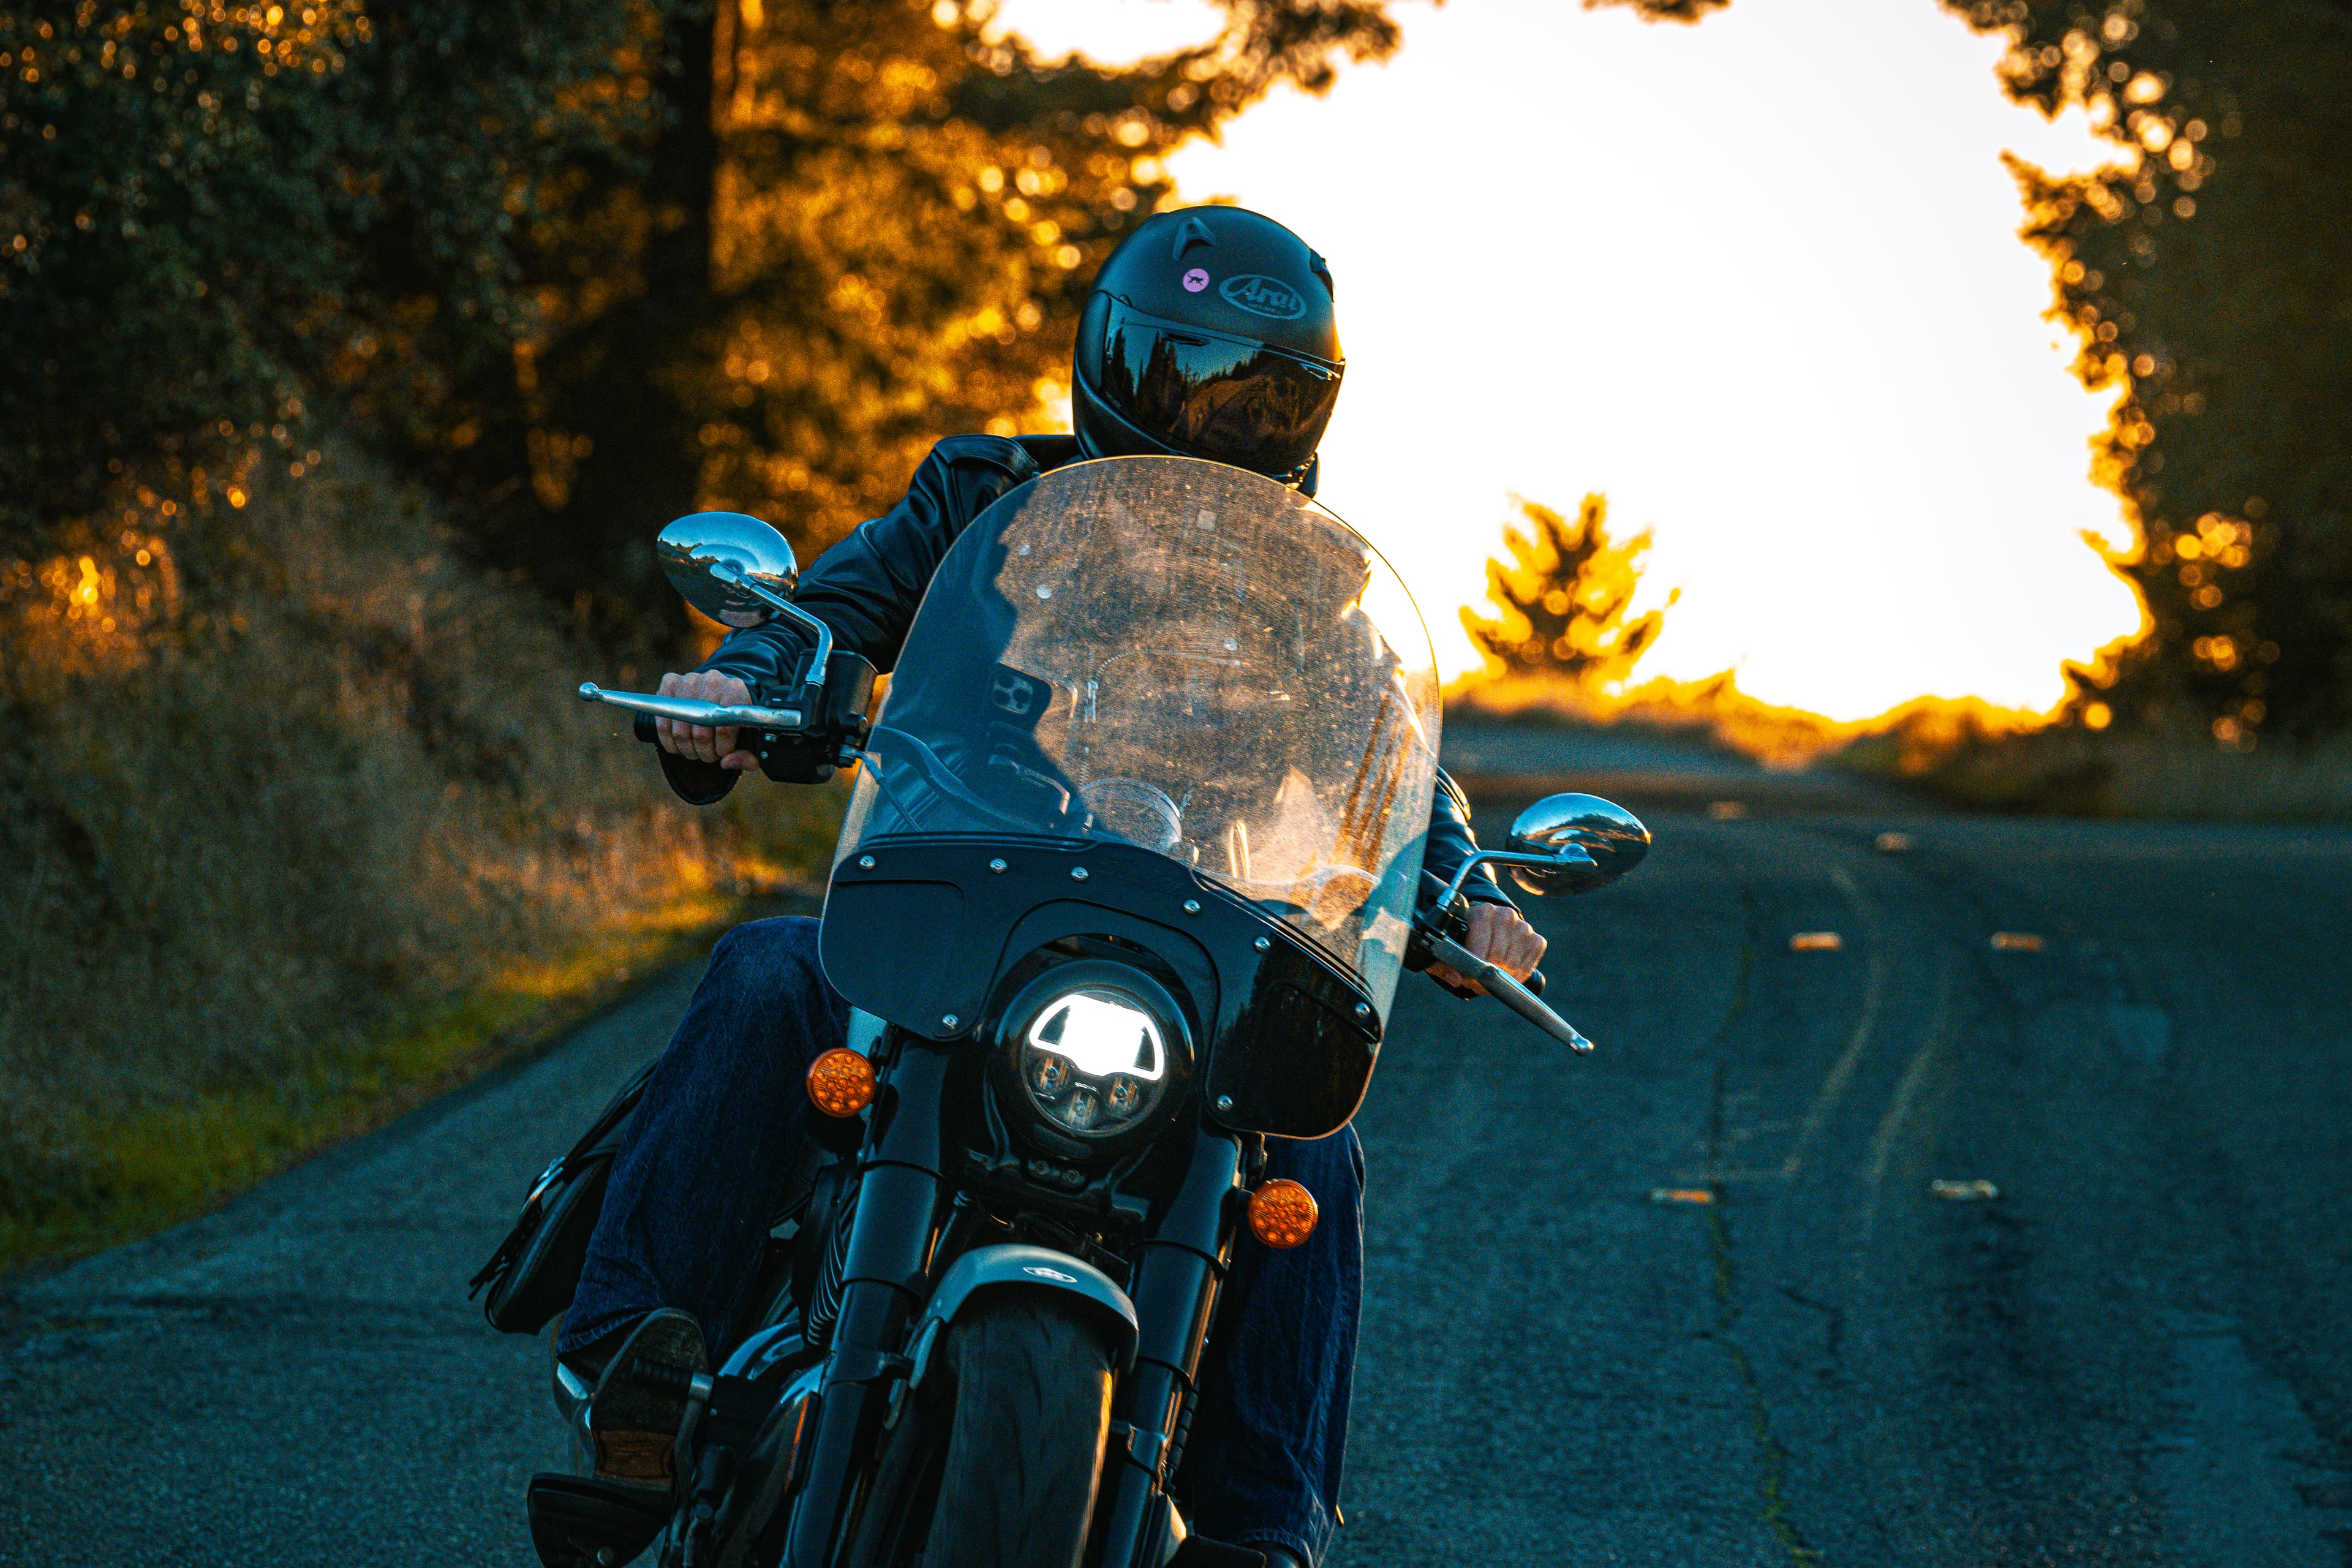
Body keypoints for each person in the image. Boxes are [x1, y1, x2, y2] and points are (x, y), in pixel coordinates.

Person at [562, 206, 1545, 1568]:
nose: (1209, 418)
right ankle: (633, 1373)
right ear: (1111, 360)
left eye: (1258, 393)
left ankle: (1263, 1529)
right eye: (1180, 371)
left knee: (1315, 1147)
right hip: (963, 913)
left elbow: (1395, 762)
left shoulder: (1320, 596)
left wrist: (1466, 884)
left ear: (1308, 413)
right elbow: (838, 609)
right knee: (772, 969)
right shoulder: (985, 501)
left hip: (1196, 958)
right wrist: (748, 681)